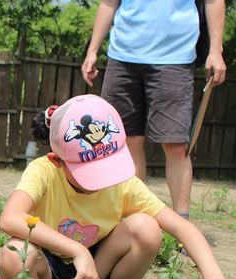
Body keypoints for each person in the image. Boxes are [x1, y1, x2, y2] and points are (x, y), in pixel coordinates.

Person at [0, 94, 232, 279]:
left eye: (105, 167)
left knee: (146, 227)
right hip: (47, 276)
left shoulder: (121, 183)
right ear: (57, 160)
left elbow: (182, 227)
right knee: (16, 254)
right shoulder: (43, 171)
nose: (101, 180)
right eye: (89, 172)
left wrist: (213, 276)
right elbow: (10, 218)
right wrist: (78, 250)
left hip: (94, 276)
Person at [81, 0, 227, 221]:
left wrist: (216, 50)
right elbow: (108, 3)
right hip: (122, 57)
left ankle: (181, 226)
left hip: (174, 58)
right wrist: (92, 50)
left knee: (176, 144)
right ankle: (134, 219)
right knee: (124, 141)